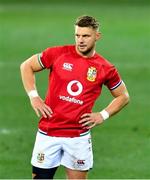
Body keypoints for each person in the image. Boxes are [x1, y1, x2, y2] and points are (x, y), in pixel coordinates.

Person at [20, 15, 130, 179]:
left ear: (97, 36)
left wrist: (102, 115)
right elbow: (26, 66)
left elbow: (123, 96)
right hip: (48, 132)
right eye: (77, 35)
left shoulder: (105, 68)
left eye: (86, 36)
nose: (80, 40)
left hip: (78, 137)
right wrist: (33, 96)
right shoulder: (58, 53)